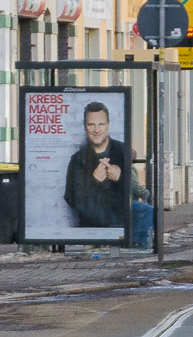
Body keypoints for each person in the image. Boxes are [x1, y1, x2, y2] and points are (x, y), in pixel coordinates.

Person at [64, 101, 153, 246]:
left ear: (108, 125)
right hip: (93, 221)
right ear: (85, 127)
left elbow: (133, 188)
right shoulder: (78, 158)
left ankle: (136, 249)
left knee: (148, 212)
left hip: (119, 218)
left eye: (101, 124)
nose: (96, 130)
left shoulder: (122, 151)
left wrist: (119, 177)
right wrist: (93, 180)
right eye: (91, 125)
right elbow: (70, 198)